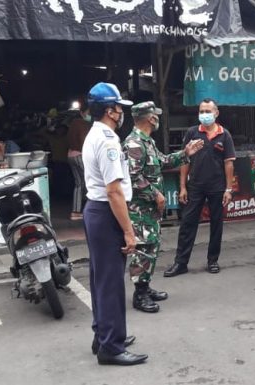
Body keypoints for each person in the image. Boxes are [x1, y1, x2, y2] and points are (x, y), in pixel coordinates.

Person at [81, 82, 147, 366]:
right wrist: (129, 232)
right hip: (106, 212)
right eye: (119, 108)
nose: (122, 113)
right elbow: (114, 191)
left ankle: (104, 335)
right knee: (110, 283)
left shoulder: (94, 134)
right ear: (110, 110)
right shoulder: (107, 140)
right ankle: (111, 347)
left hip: (96, 211)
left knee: (101, 280)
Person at [123, 101, 204, 312]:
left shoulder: (147, 142)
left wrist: (185, 152)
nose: (158, 118)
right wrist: (156, 194)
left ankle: (145, 286)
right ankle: (139, 295)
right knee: (142, 250)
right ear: (150, 118)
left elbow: (164, 162)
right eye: (156, 115)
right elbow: (133, 177)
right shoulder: (133, 144)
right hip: (140, 210)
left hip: (150, 211)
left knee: (151, 248)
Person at [163, 98, 236, 277]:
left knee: (216, 224)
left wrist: (228, 189)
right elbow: (184, 160)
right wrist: (182, 187)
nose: (204, 114)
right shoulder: (192, 133)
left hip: (217, 187)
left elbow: (229, 164)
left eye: (208, 111)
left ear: (216, 113)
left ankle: (213, 260)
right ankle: (180, 263)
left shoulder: (224, 134)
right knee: (187, 224)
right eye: (202, 111)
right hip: (195, 185)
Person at [67, 102, 92, 220]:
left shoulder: (73, 123)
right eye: (88, 113)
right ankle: (92, 210)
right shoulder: (83, 124)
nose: (90, 115)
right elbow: (83, 139)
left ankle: (75, 212)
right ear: (82, 113)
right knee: (91, 182)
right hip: (80, 155)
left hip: (71, 155)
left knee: (79, 184)